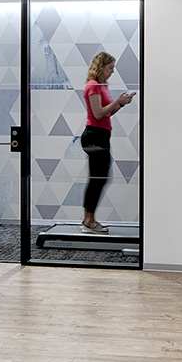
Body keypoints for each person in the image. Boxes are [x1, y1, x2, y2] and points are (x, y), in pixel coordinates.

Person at [81, 52, 135, 234]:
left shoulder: (101, 86)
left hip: (101, 135)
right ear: (101, 66)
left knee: (99, 177)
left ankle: (88, 219)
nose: (112, 71)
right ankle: (89, 220)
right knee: (98, 177)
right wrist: (116, 102)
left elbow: (107, 114)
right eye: (110, 67)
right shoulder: (93, 86)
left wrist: (121, 104)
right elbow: (97, 113)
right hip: (94, 136)